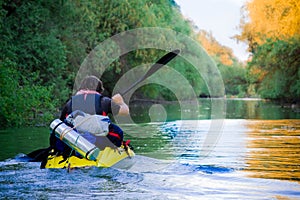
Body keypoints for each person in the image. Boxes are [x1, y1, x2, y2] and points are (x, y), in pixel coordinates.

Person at [50, 75, 130, 158]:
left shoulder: (70, 103)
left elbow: (61, 124)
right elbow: (125, 112)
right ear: (100, 89)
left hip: (74, 141)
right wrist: (120, 102)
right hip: (98, 142)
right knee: (118, 132)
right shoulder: (104, 101)